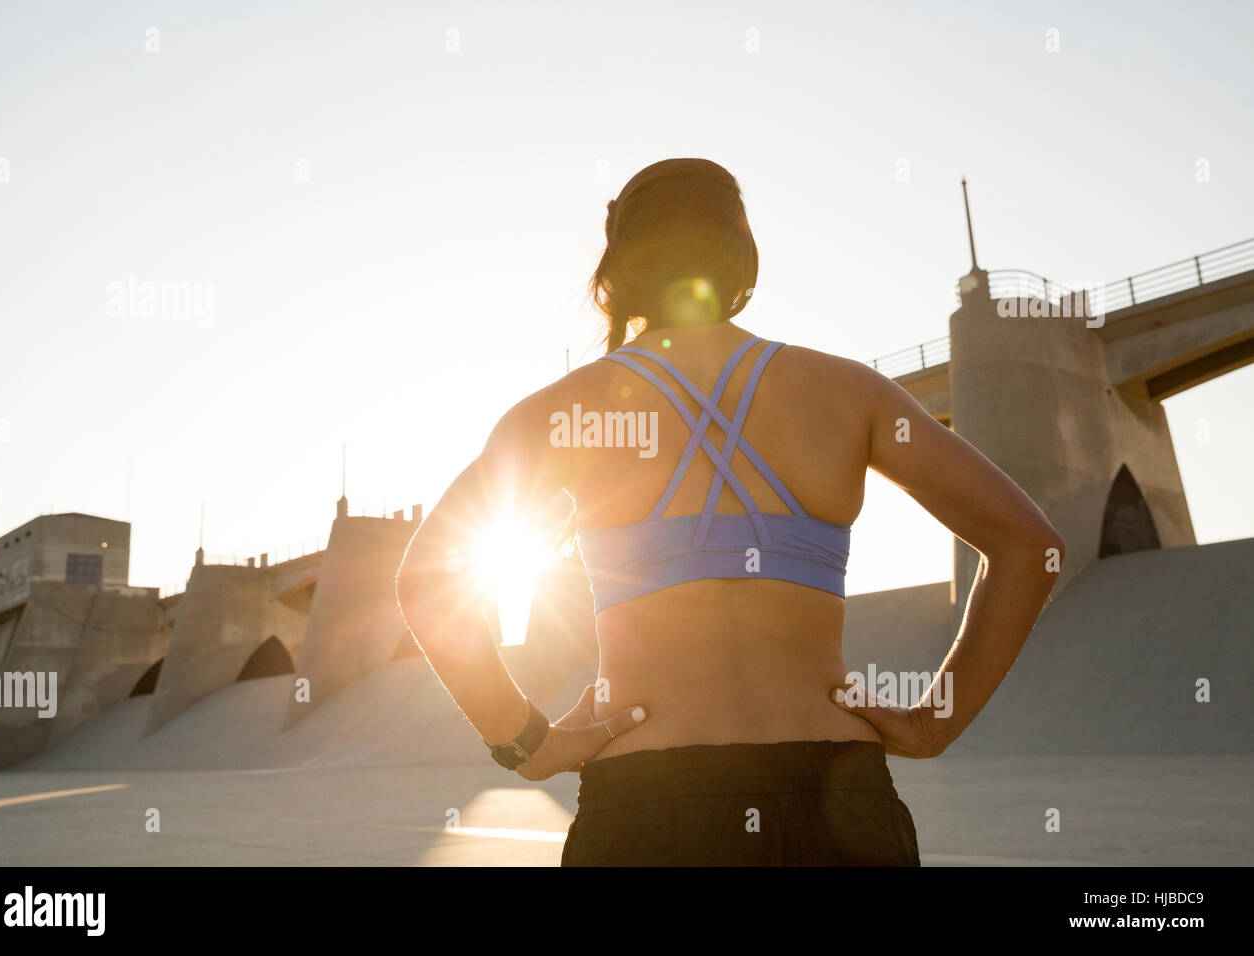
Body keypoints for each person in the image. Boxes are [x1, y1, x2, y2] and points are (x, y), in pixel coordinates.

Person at [394, 157, 1064, 866]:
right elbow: (1029, 545)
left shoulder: (563, 412)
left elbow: (426, 581)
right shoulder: (850, 393)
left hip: (646, 806)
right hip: (839, 803)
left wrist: (528, 743)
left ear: (617, 264)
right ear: (741, 253)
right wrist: (936, 720)